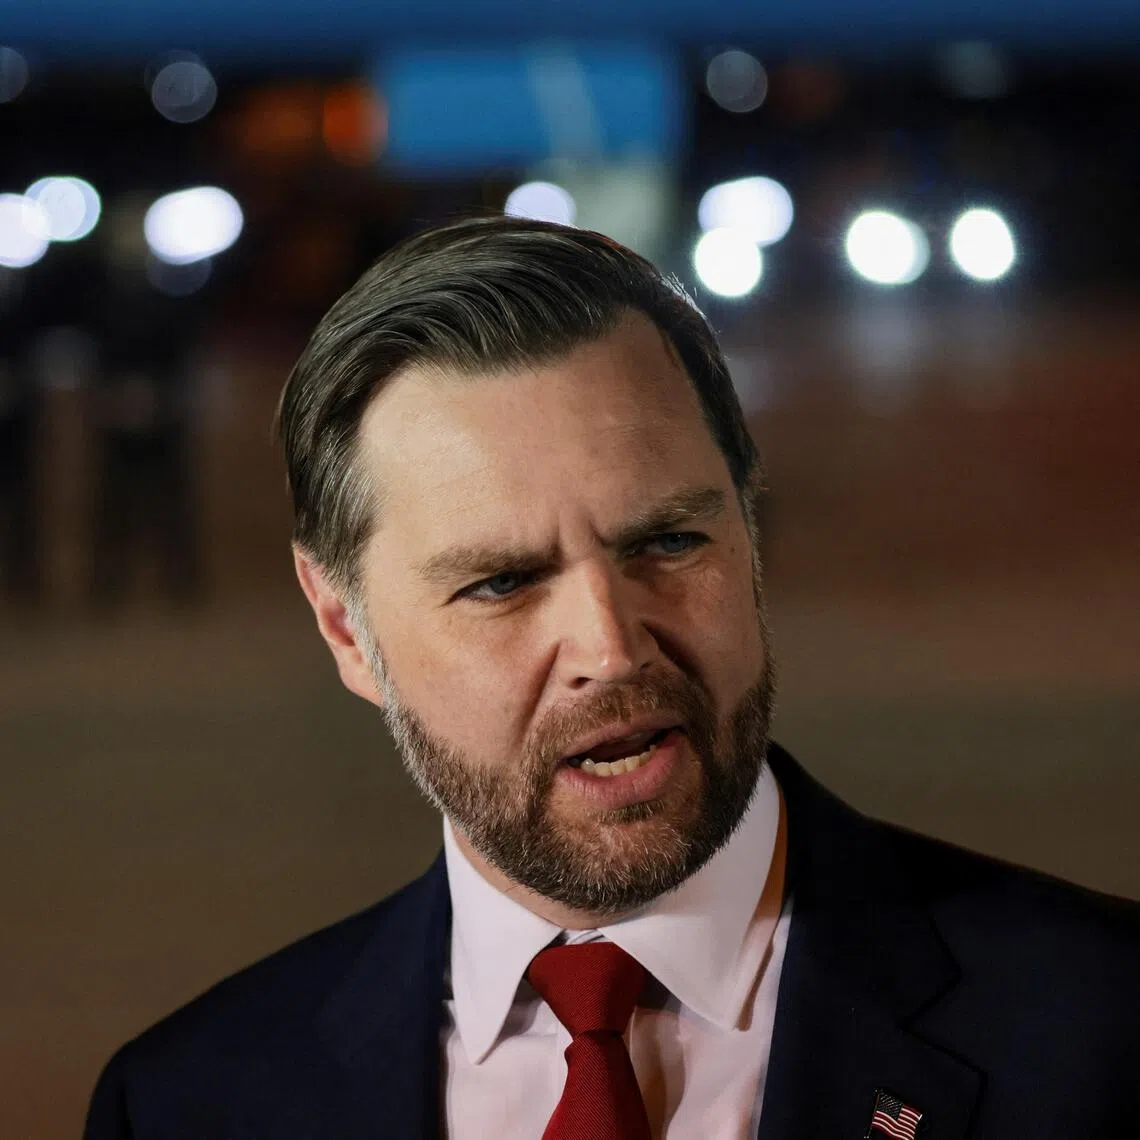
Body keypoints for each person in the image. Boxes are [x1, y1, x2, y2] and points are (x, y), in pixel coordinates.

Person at [84, 217, 1139, 1140]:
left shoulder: (1104, 1030)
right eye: (501, 582)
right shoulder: (188, 1103)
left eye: (671, 541)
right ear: (345, 631)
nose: (612, 645)